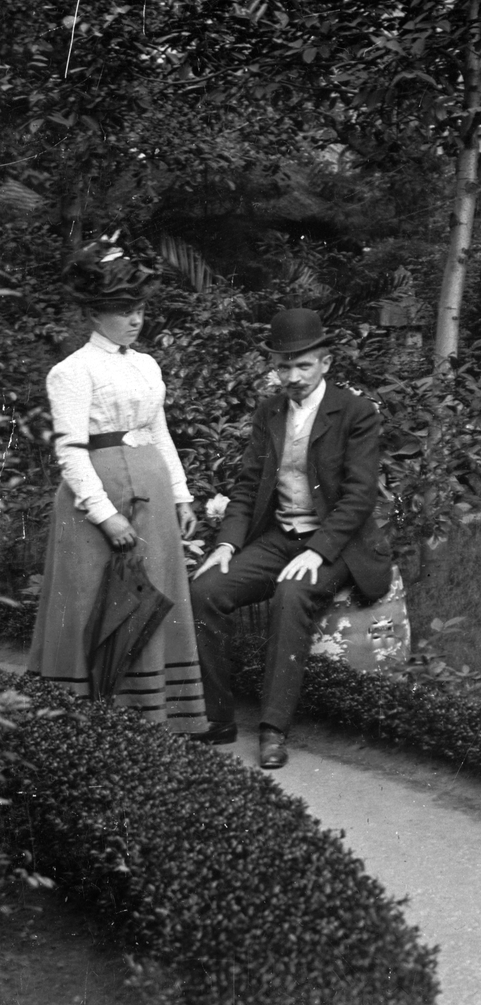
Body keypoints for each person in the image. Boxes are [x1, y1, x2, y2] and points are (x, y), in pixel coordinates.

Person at [190, 308, 390, 768]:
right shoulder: (270, 411)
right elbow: (247, 484)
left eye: (303, 365)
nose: (293, 376)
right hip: (280, 537)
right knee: (205, 591)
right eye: (284, 366)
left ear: (326, 363)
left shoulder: (355, 412)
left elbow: (359, 497)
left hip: (338, 543)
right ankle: (218, 717)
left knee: (291, 592)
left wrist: (318, 551)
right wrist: (226, 545)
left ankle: (273, 728)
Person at [28, 237, 207, 735]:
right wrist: (105, 515)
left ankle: (159, 721)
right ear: (95, 315)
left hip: (151, 491)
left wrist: (181, 492)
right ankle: (88, 727)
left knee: (155, 598)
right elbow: (69, 450)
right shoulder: (72, 371)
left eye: (139, 309)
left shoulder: (146, 365)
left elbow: (158, 431)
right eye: (123, 310)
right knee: (93, 604)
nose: (135, 319)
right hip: (95, 507)